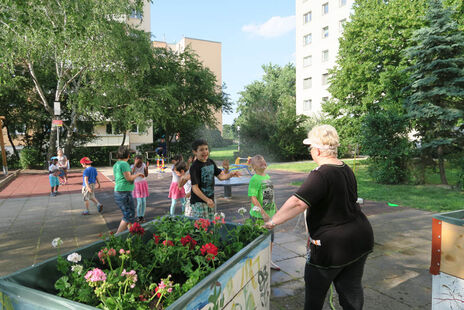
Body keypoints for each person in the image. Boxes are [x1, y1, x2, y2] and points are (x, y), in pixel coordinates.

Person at [264, 125, 374, 310]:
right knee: (351, 290)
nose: (310, 152)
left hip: (333, 247)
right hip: (360, 238)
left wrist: (273, 221)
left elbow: (298, 203)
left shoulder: (321, 173)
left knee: (315, 295)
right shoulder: (345, 168)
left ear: (316, 150)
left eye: (310, 149)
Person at [189, 139, 241, 220]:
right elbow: (194, 188)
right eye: (201, 150)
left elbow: (221, 177)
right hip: (199, 202)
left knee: (211, 224)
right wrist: (207, 200)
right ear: (195, 152)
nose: (205, 152)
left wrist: (231, 174)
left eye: (206, 149)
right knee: (202, 226)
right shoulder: (194, 167)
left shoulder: (211, 162)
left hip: (210, 199)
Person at [248, 155, 280, 270]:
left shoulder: (267, 176)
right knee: (259, 240)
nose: (262, 162)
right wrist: (263, 214)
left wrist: (275, 209)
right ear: (253, 167)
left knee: (270, 239)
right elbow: (253, 198)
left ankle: (268, 260)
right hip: (259, 216)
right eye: (259, 162)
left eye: (263, 160)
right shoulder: (254, 179)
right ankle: (257, 262)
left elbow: (270, 195)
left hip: (270, 215)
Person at [113, 147, 145, 234]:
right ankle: (117, 235)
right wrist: (138, 174)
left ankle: (131, 232)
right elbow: (129, 178)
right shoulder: (124, 164)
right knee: (128, 215)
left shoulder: (116, 164)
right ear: (128, 155)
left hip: (119, 192)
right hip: (124, 193)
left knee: (129, 215)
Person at [131, 155, 149, 223]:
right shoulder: (132, 166)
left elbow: (146, 175)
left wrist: (146, 167)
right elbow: (131, 173)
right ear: (135, 161)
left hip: (143, 184)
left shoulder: (143, 164)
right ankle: (139, 216)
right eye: (137, 161)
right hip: (137, 185)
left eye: (140, 161)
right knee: (139, 202)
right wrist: (135, 164)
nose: (139, 163)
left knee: (144, 201)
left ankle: (142, 216)